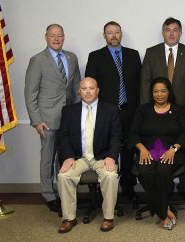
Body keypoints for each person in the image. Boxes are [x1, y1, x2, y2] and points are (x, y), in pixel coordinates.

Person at [24, 24, 81, 213]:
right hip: (47, 119)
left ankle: (63, 192)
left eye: (59, 36)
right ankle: (49, 195)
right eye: (52, 36)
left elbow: (75, 89)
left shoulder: (72, 58)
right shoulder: (38, 60)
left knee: (65, 157)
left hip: (69, 118)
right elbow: (30, 93)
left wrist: (80, 113)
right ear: (46, 37)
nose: (56, 39)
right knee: (48, 158)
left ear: (64, 37)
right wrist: (36, 120)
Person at [140, 17, 185, 196]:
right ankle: (164, 185)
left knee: (182, 144)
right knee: (158, 142)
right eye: (168, 30)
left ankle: (184, 186)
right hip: (156, 110)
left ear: (180, 33)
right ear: (163, 32)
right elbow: (145, 82)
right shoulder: (151, 52)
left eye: (175, 30)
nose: (171, 33)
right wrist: (145, 110)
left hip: (182, 109)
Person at [85, 21, 142, 202]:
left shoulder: (133, 55)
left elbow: (140, 84)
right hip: (106, 112)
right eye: (110, 33)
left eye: (117, 32)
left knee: (129, 150)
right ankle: (107, 188)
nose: (114, 36)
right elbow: (90, 87)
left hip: (130, 111)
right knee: (108, 150)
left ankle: (128, 187)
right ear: (104, 35)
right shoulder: (95, 56)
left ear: (121, 34)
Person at [57, 77, 121, 233]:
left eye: (91, 88)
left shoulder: (111, 110)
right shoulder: (69, 111)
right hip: (78, 157)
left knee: (111, 176)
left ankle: (108, 217)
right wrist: (68, 156)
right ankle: (69, 218)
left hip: (102, 157)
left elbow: (116, 136)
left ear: (97, 90)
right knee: (63, 176)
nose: (87, 91)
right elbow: (63, 137)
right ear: (79, 91)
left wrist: (112, 156)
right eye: (84, 88)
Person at [129, 77, 185, 230]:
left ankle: (162, 214)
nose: (159, 94)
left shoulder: (179, 110)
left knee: (163, 170)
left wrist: (174, 149)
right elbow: (133, 133)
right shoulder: (143, 110)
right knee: (144, 171)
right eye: (156, 91)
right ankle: (164, 209)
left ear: (169, 91)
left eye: (163, 91)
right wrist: (142, 149)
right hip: (147, 152)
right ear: (151, 93)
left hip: (172, 152)